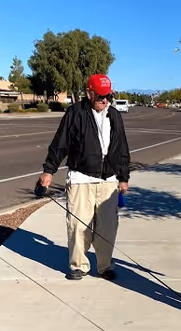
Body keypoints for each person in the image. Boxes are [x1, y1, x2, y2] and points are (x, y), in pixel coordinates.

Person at [38, 74, 130, 281]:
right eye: (100, 96)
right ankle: (78, 265)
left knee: (107, 227)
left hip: (109, 180)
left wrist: (123, 177)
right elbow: (59, 144)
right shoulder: (75, 113)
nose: (104, 101)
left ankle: (105, 266)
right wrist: (48, 170)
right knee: (79, 225)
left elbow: (122, 148)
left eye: (108, 96)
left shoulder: (114, 115)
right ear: (89, 93)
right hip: (81, 178)